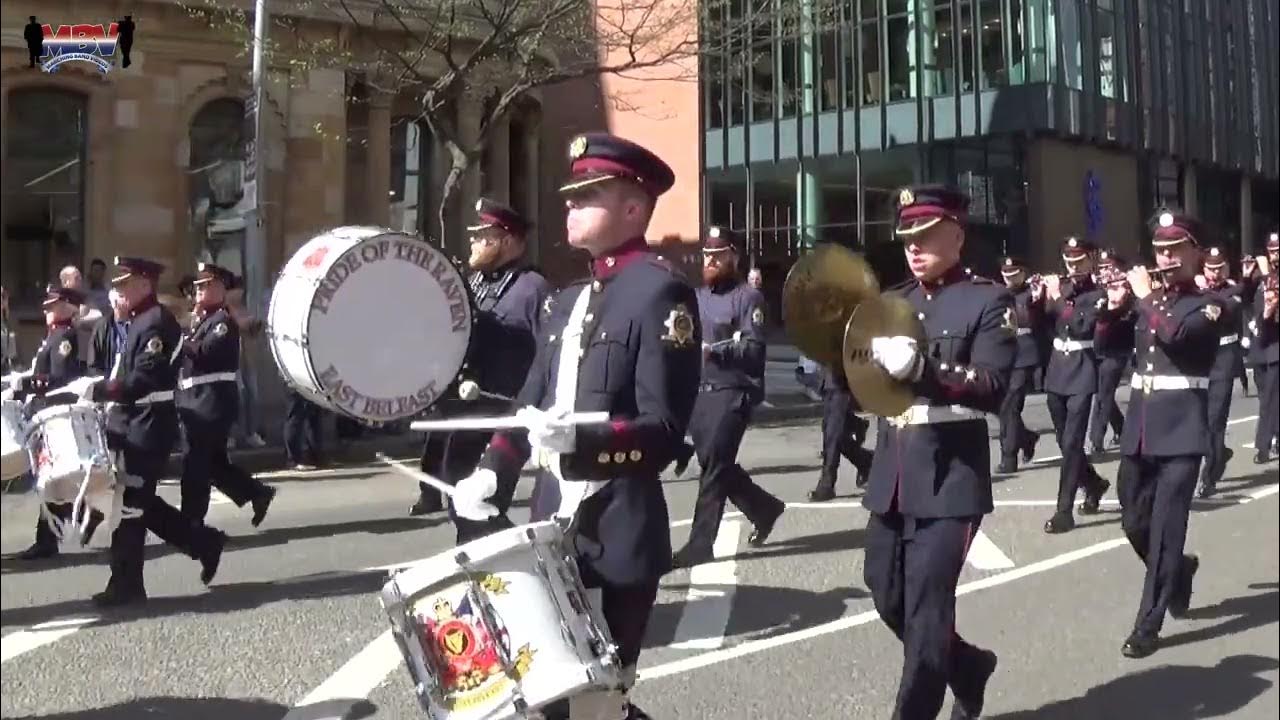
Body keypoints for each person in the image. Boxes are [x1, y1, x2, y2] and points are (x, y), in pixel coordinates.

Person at [452, 133, 701, 720]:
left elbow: (663, 430)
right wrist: (494, 468)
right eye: (570, 197)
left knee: (596, 703)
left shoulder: (660, 294)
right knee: (546, 699)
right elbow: (530, 402)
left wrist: (584, 442)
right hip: (551, 526)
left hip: (616, 530)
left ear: (634, 208)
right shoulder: (565, 301)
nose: (570, 207)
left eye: (588, 196)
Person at [859, 185, 1014, 720]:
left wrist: (926, 370)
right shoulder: (892, 301)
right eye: (907, 237)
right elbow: (864, 383)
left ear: (958, 234)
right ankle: (968, 665)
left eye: (926, 235)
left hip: (950, 475)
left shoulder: (988, 299)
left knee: (927, 617)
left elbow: (994, 384)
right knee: (885, 592)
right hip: (894, 473)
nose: (914, 246)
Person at [79, 256, 227, 607]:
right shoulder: (139, 321)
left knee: (130, 508)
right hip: (131, 423)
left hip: (147, 425)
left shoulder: (156, 323)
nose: (118, 290)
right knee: (137, 503)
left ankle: (127, 585)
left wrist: (101, 390)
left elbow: (143, 379)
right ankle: (204, 543)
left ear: (144, 284)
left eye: (124, 284)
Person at [409, 197, 551, 546]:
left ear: (506, 240)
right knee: (464, 507)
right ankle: (502, 574)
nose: (472, 242)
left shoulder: (533, 289)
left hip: (502, 419)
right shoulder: (474, 284)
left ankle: (519, 571)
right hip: (465, 414)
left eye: (481, 236)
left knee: (479, 506)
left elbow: (549, 355)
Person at [1111, 211, 1221, 658]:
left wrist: (1143, 298)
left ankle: (1148, 624)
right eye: (1160, 249)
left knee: (1163, 531)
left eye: (1177, 248)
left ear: (1196, 251)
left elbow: (1177, 337)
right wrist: (1112, 309)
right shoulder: (1149, 300)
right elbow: (1105, 346)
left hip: (1183, 429)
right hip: (1141, 426)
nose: (1167, 256)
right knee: (1133, 520)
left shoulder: (1212, 303)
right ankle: (1179, 571)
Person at [672, 226, 783, 568]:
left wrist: (716, 353)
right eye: (707, 255)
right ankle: (764, 508)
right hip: (699, 393)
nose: (711, 261)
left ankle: (700, 544)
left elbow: (753, 350)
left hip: (734, 392)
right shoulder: (695, 297)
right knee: (714, 465)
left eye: (719, 256)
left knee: (715, 467)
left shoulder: (748, 298)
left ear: (734, 257)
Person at [176, 262, 276, 525]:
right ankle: (257, 492)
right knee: (214, 464)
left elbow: (203, 353)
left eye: (204, 286)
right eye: (197, 287)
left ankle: (191, 521)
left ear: (220, 288)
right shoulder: (203, 320)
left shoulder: (222, 321)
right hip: (198, 400)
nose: (197, 291)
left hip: (212, 401)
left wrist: (179, 339)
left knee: (196, 463)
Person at [12, 286, 92, 560]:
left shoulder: (64, 337)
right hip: (45, 413)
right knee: (52, 480)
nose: (46, 309)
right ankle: (50, 535)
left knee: (53, 478)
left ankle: (57, 531)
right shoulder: (54, 336)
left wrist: (25, 382)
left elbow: (57, 378)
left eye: (53, 305)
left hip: (55, 414)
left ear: (69, 306)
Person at [1041, 237, 1111, 534]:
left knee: (1072, 443)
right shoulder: (1063, 288)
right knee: (1063, 441)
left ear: (1091, 260)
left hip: (1082, 369)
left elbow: (1081, 326)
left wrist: (1056, 298)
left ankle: (1064, 510)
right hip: (1057, 369)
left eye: (1079, 261)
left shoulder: (1099, 293)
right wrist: (1038, 298)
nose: (1073, 266)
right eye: (1069, 261)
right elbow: (1041, 324)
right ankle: (1094, 483)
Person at [1196, 247, 1247, 497]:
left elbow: (1221, 311)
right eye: (1210, 269)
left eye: (1219, 268)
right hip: (1199, 363)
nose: (1215, 273)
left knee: (1215, 421)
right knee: (1199, 422)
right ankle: (1219, 454)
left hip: (1223, 362)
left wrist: (1203, 293)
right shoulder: (1194, 290)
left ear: (1227, 268)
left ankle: (1209, 476)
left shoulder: (1234, 291)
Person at [995, 256, 1043, 473]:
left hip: (1024, 353)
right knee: (1002, 406)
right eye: (1006, 274)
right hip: (1003, 353)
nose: (1010, 278)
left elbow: (1037, 317)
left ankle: (1009, 456)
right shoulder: (997, 294)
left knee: (1010, 405)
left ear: (1023, 273)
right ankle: (1026, 437)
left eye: (1014, 274)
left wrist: (1038, 296)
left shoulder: (1031, 294)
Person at [1088, 249, 1133, 456]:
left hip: (1117, 350)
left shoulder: (1128, 292)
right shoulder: (1097, 290)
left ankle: (1096, 439)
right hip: (1095, 349)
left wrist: (1115, 301)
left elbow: (1122, 317)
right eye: (1103, 268)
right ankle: (1122, 428)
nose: (1105, 272)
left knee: (1103, 396)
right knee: (1102, 393)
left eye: (1110, 268)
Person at [808, 366, 872, 501]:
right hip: (829, 378)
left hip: (846, 379)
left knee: (833, 433)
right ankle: (866, 462)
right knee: (832, 432)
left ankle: (826, 486)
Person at [1251, 233, 1279, 464]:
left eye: (1278, 250)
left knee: (1270, 399)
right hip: (1259, 346)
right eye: (1272, 251)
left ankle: (1262, 446)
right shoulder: (1260, 277)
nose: (1275, 254)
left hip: (1276, 347)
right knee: (1266, 398)